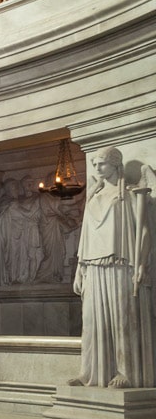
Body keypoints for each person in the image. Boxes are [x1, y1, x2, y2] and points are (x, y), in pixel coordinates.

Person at [68, 147, 155, 388]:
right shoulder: (93, 196)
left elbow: (144, 231)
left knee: (121, 320)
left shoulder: (128, 195)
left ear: (116, 164)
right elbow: (84, 236)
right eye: (94, 163)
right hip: (93, 267)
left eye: (102, 163)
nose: (96, 168)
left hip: (120, 265)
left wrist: (142, 263)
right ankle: (90, 373)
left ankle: (125, 372)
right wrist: (79, 269)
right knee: (91, 322)